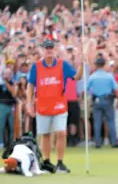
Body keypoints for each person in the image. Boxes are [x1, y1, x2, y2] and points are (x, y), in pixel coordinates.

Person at [26, 40, 83, 173]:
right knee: (45, 134)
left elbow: (77, 77)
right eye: (46, 48)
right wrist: (29, 103)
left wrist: (81, 65)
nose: (49, 50)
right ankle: (46, 162)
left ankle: (60, 162)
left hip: (59, 105)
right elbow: (30, 85)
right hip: (43, 105)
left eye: (51, 48)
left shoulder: (63, 65)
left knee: (61, 133)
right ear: (43, 50)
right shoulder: (37, 66)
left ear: (55, 50)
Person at [87, 57, 118, 148]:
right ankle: (114, 142)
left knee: (97, 122)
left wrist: (83, 98)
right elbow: (116, 89)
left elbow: (86, 89)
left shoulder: (92, 76)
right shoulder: (109, 76)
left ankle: (98, 143)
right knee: (111, 121)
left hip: (97, 100)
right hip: (108, 100)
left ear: (96, 65)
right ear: (104, 65)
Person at [0, 67, 16, 149]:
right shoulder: (0, 84)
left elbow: (13, 92)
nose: (6, 75)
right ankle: (0, 143)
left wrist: (6, 82)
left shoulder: (13, 83)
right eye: (5, 73)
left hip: (11, 106)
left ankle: (12, 143)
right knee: (1, 126)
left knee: (12, 127)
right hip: (2, 106)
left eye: (8, 73)